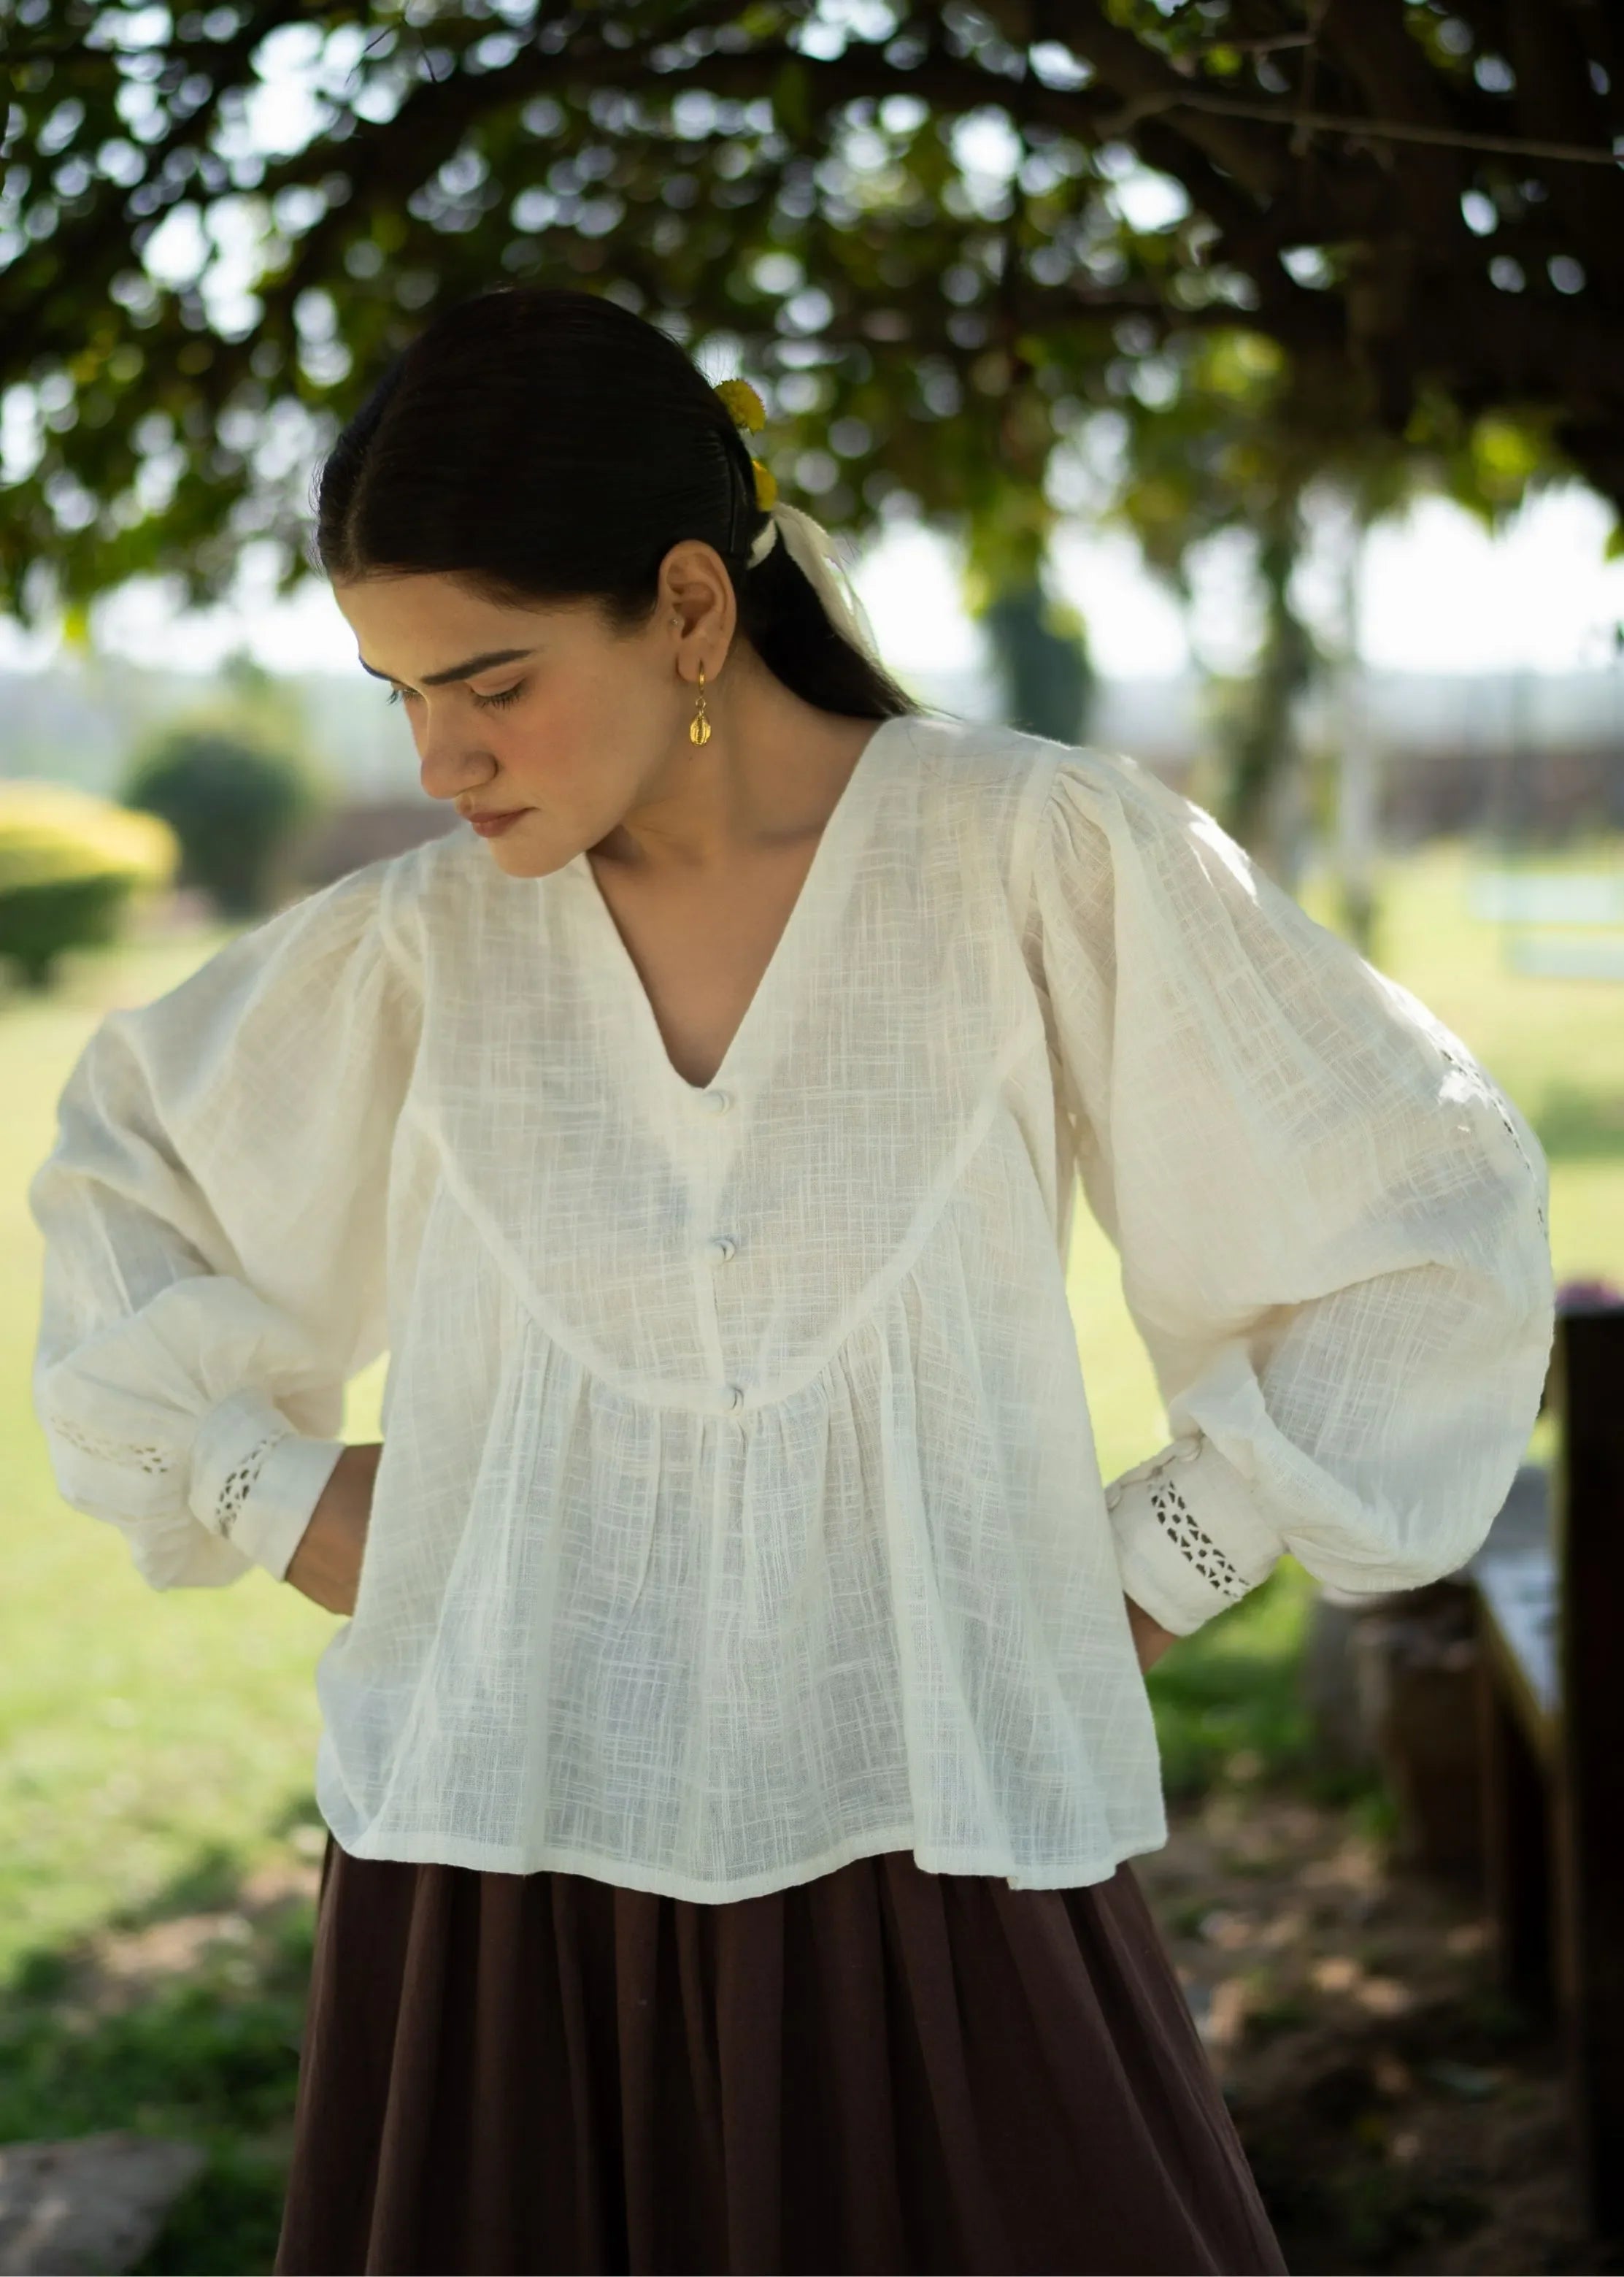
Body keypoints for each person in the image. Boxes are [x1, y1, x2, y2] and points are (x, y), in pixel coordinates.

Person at [27, 285, 1554, 2277]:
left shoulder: (1028, 853)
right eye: (397, 694)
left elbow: (1422, 1204)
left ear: (686, 605)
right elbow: (121, 1172)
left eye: (489, 682)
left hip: (947, 1839)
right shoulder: (420, 944)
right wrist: (266, 1487)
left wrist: (1155, 1563)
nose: (439, 757)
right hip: (495, 1859)